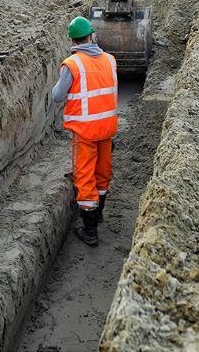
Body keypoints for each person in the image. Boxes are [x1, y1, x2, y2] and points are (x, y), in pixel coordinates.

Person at [52, 16, 118, 246]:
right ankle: (98, 214)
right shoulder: (110, 60)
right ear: (91, 36)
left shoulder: (73, 64)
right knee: (103, 173)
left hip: (85, 132)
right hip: (107, 129)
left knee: (85, 177)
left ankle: (90, 231)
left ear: (72, 39)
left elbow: (58, 96)